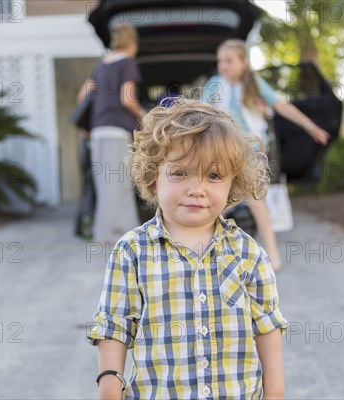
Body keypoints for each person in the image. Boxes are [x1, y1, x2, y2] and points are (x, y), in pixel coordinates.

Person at [87, 98, 288, 400]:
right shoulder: (131, 252)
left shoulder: (248, 254)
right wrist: (109, 383)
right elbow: (114, 327)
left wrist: (275, 392)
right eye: (180, 173)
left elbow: (267, 327)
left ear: (233, 183)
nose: (197, 188)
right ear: (154, 174)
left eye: (214, 176)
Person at [201, 39, 330, 272]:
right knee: (218, 200)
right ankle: (204, 248)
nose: (223, 66)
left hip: (251, 149)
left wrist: (309, 125)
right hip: (220, 148)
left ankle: (272, 254)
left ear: (243, 63)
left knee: (257, 201)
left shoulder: (254, 84)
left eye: (229, 61)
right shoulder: (214, 85)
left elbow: (281, 106)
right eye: (220, 61)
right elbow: (199, 111)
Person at [75, 22, 146, 244]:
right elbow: (127, 99)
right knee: (119, 183)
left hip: (98, 132)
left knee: (104, 184)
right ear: (132, 43)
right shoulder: (127, 63)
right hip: (117, 130)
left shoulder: (101, 65)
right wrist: (145, 114)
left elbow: (82, 98)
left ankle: (105, 233)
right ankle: (121, 235)